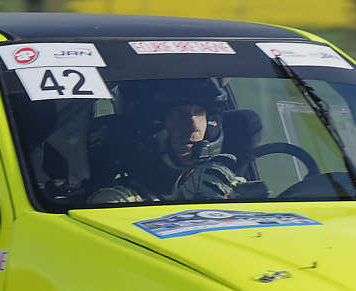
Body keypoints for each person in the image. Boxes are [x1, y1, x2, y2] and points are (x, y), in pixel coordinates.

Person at [88, 78, 251, 203]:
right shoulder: (117, 200)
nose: (193, 126)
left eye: (199, 112)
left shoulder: (227, 186)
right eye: (179, 114)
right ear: (154, 126)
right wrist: (182, 199)